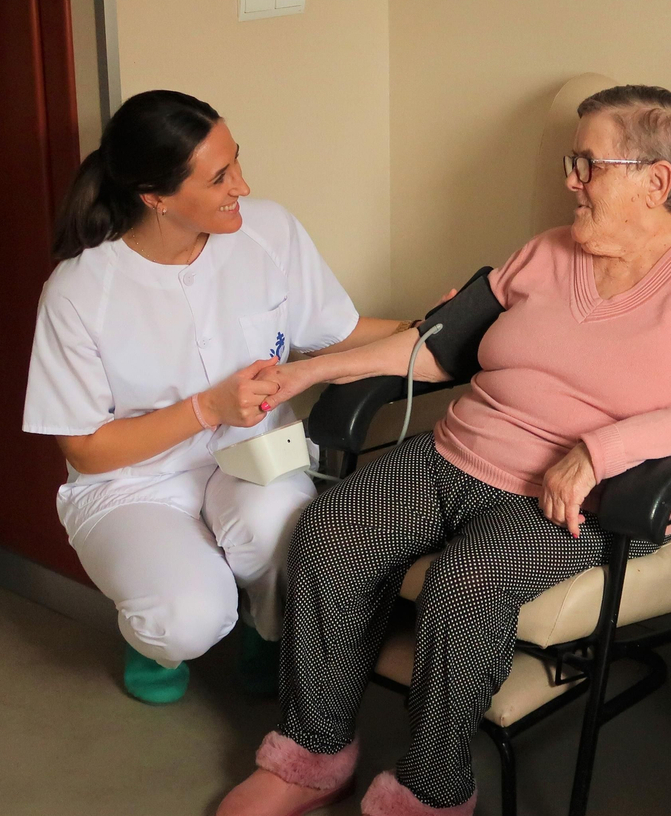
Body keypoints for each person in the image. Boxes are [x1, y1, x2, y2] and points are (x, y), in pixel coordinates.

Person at [216, 85, 671, 816]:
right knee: (331, 531)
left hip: (579, 499)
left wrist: (598, 450)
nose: (570, 179)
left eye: (589, 163)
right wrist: (309, 371)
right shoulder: (544, 252)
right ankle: (311, 756)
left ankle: (431, 792)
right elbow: (435, 346)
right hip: (456, 454)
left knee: (464, 585)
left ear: (655, 182)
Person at [22, 90, 412, 704]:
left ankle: (266, 629)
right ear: (156, 197)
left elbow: (335, 330)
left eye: (237, 162)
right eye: (220, 177)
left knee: (291, 544)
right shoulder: (79, 292)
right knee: (188, 616)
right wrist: (207, 409)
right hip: (132, 482)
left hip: (254, 452)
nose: (243, 185)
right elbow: (86, 449)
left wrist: (435, 327)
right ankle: (157, 637)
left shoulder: (268, 231)